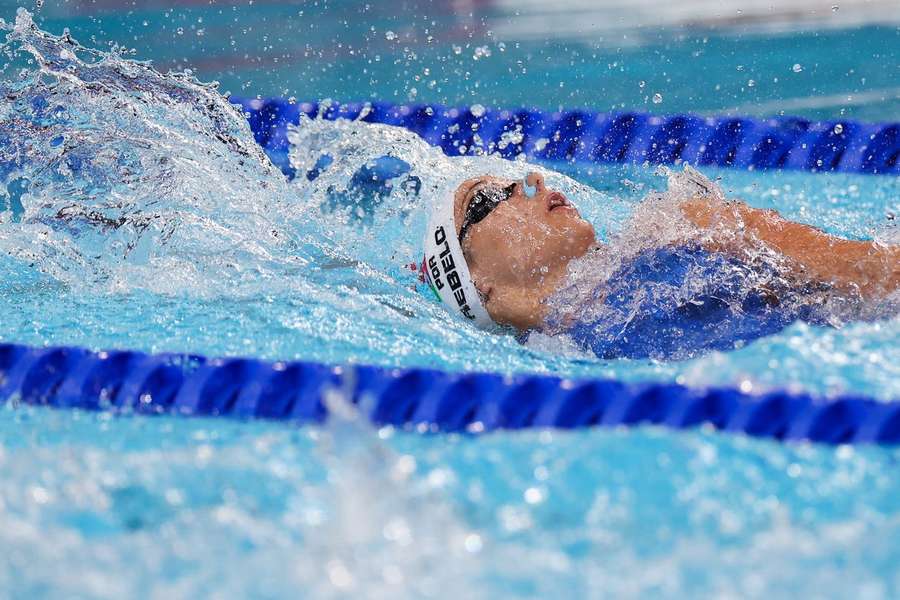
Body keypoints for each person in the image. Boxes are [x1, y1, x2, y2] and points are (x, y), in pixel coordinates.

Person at [421, 167, 899, 360]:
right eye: (486, 199)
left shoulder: (682, 230)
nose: (531, 179)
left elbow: (872, 273)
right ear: (478, 285)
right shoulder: (565, 352)